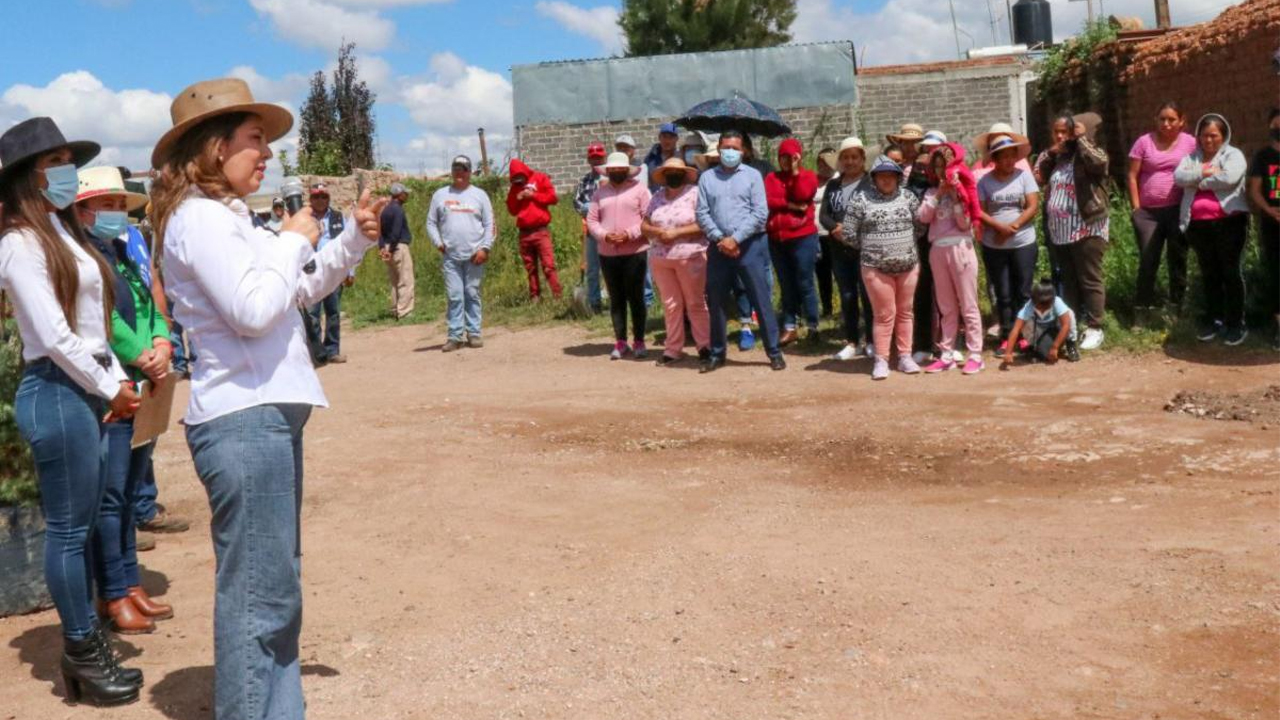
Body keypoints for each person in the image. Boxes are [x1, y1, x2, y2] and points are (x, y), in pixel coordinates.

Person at [149, 77, 387, 720]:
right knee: (262, 594)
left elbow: (297, 292)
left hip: (264, 416)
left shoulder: (231, 220)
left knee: (274, 587)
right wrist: (294, 239)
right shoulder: (199, 218)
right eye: (255, 140)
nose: (266, 154)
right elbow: (256, 310)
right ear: (213, 146)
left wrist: (352, 240)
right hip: (244, 420)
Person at [0, 117, 144, 706]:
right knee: (67, 532)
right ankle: (82, 650)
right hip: (56, 391)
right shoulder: (18, 242)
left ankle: (85, 650)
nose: (68, 172)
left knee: (80, 526)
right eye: (56, 161)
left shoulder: (62, 234)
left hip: (81, 390)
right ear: (27, 177)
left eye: (69, 159)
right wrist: (110, 387)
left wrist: (111, 381)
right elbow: (55, 336)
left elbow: (92, 330)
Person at [74, 166, 175, 636]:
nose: (115, 214)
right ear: (82, 211)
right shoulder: (82, 260)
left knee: (132, 488)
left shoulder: (122, 252)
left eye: (120, 205)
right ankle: (111, 592)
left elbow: (151, 302)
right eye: (106, 205)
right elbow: (103, 321)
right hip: (113, 388)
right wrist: (142, 355)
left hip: (143, 382)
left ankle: (130, 582)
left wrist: (162, 341)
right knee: (110, 496)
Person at [696, 130, 786, 373]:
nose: (730, 152)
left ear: (743, 151)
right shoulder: (706, 178)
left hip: (750, 246)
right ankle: (717, 353)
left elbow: (760, 214)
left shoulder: (753, 176)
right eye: (726, 147)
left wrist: (735, 239)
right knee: (716, 301)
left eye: (735, 148)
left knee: (760, 299)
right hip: (718, 248)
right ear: (719, 149)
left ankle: (774, 352)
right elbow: (702, 213)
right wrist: (720, 239)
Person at [841, 155, 921, 380]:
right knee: (884, 315)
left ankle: (905, 357)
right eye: (881, 176)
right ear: (874, 178)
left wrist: (903, 246)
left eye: (891, 176)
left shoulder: (909, 197)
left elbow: (920, 227)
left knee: (906, 312)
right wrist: (871, 248)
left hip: (908, 265)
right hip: (875, 268)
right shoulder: (861, 199)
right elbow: (848, 233)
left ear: (897, 178)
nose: (886, 180)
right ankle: (881, 360)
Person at [1036, 111, 1110, 351]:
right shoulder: (1057, 158)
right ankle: (1072, 325)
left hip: (1087, 227)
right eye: (1056, 132)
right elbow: (1038, 175)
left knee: (1089, 278)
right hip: (1061, 231)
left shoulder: (1089, 152)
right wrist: (1051, 153)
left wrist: (1081, 140)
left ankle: (1095, 326)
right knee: (1069, 281)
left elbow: (1100, 163)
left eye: (1065, 131)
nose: (1060, 136)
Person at [1175, 113, 1250, 346]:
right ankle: (1214, 319)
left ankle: (1236, 323)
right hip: (1198, 226)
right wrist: (1204, 172)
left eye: (1214, 135)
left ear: (1223, 136)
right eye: (1204, 135)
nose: (1208, 140)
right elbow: (1178, 177)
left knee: (1230, 272)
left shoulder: (1233, 154)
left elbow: (1230, 178)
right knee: (1209, 273)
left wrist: (1197, 181)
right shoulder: (1191, 157)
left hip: (1229, 223)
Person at [918, 144, 984, 375]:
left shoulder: (962, 191)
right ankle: (946, 354)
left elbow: (965, 223)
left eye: (943, 167)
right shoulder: (930, 193)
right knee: (945, 306)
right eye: (936, 167)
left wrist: (956, 196)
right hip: (938, 250)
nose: (940, 172)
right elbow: (923, 217)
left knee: (968, 304)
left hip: (960, 247)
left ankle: (975, 354)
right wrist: (938, 194)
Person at [1127, 102, 1197, 317]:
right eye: (1162, 119)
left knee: (1178, 258)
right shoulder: (1144, 142)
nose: (1166, 124)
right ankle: (1142, 309)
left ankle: (1177, 307)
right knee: (1149, 259)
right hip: (1148, 214)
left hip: (1177, 209)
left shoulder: (1190, 143)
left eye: (1172, 119)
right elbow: (1132, 175)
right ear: (1155, 120)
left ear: (1182, 121)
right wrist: (1137, 208)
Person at [977, 133, 1040, 357]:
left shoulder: (1024, 177)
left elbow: (1033, 206)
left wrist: (1011, 227)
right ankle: (1006, 337)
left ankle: (1023, 336)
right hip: (994, 245)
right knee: (1003, 294)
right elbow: (980, 210)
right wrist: (998, 228)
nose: (1008, 161)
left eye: (1011, 156)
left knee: (1022, 292)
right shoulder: (984, 182)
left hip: (1023, 242)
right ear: (994, 158)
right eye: (1002, 157)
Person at [644, 158, 711, 365]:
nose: (673, 175)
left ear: (684, 174)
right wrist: (658, 232)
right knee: (671, 305)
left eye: (677, 171)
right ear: (664, 176)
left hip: (690, 256)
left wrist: (677, 232)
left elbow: (704, 222)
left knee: (695, 302)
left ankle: (705, 346)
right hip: (661, 259)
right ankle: (673, 348)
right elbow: (644, 225)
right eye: (669, 172)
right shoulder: (656, 197)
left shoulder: (695, 194)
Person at [588, 152, 652, 359]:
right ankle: (621, 340)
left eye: (620, 169)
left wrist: (629, 234)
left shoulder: (640, 191)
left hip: (635, 251)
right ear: (608, 171)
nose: (616, 172)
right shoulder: (600, 193)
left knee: (636, 297)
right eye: (612, 170)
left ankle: (640, 340)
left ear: (626, 170)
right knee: (616, 298)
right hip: (608, 253)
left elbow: (648, 219)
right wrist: (605, 236)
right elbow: (592, 221)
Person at [428, 155, 494, 352]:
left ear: (469, 172)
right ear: (452, 171)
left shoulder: (480, 195)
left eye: (463, 169)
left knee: (472, 293)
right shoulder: (440, 195)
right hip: (451, 257)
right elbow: (431, 222)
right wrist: (438, 243)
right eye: (456, 168)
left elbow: (490, 224)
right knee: (455, 296)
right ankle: (455, 336)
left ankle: (474, 333)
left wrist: (485, 248)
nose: (459, 172)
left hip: (475, 255)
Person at [819, 137, 875, 362]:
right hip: (838, 249)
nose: (850, 161)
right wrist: (836, 229)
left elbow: (874, 211)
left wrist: (851, 229)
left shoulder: (871, 182)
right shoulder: (833, 184)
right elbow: (823, 214)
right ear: (840, 161)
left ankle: (872, 341)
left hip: (864, 248)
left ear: (862, 159)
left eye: (855, 157)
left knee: (869, 295)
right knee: (847, 295)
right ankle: (852, 341)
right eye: (846, 157)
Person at [765, 138, 821, 345]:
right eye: (783, 157)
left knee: (805, 282)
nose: (787, 161)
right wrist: (789, 204)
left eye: (791, 157)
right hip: (777, 239)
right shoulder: (772, 177)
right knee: (786, 284)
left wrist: (796, 173)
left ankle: (813, 325)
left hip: (802, 237)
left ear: (799, 157)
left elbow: (803, 195)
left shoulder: (808, 176)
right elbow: (768, 200)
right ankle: (790, 326)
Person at [909, 130, 946, 363]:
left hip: (946, 241)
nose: (928, 154)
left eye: (934, 149)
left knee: (947, 296)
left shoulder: (953, 176)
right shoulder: (914, 173)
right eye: (926, 148)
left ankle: (947, 345)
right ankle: (922, 343)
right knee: (921, 293)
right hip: (920, 243)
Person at [305, 182, 351, 364]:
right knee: (312, 315)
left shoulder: (338, 217)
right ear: (310, 199)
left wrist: (350, 270)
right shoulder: (304, 219)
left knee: (333, 313)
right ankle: (317, 353)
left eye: (323, 196)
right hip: (311, 273)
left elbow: (347, 244)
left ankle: (332, 350)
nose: (320, 200)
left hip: (333, 272)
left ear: (328, 198)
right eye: (316, 196)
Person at [507, 159, 562, 300]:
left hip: (540, 231)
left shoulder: (540, 178)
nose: (520, 181)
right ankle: (535, 297)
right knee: (530, 268)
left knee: (548, 266)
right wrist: (517, 198)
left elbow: (553, 198)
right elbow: (512, 211)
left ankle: (557, 296)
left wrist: (533, 195)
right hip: (524, 233)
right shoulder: (515, 187)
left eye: (521, 178)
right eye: (516, 179)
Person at [1248, 108, 1280, 350]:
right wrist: (1269, 210)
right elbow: (1255, 191)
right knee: (1277, 274)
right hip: (1273, 225)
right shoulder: (1263, 157)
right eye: (1276, 125)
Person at [999, 279, 1079, 369]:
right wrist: (1008, 352)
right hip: (1039, 330)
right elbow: (1016, 329)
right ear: (1033, 300)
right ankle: (1033, 347)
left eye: (1047, 303)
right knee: (1045, 355)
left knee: (1069, 314)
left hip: (1056, 328)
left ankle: (1070, 343)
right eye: (1040, 304)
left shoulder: (1057, 302)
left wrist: (1055, 347)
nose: (1043, 306)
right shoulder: (1029, 307)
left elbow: (1066, 325)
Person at [573, 143, 608, 313]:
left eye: (599, 158)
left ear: (604, 158)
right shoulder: (584, 180)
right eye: (593, 158)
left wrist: (594, 207)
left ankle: (617, 302)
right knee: (593, 269)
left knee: (612, 268)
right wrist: (586, 208)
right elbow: (576, 202)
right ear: (589, 160)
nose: (596, 161)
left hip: (610, 230)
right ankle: (595, 303)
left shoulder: (611, 177)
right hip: (592, 233)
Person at [379, 182, 416, 319]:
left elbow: (380, 232)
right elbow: (396, 231)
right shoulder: (398, 210)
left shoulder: (385, 210)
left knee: (394, 280)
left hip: (388, 246)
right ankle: (405, 311)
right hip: (398, 247)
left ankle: (395, 308)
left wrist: (383, 247)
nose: (406, 195)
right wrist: (393, 248)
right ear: (399, 194)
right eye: (405, 193)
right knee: (405, 280)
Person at [814, 147, 838, 318]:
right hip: (816, 234)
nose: (824, 166)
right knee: (822, 274)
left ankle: (846, 310)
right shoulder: (812, 181)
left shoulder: (838, 181)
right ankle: (827, 309)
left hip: (834, 234)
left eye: (827, 162)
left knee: (839, 273)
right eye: (821, 162)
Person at [644, 122, 680, 191]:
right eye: (664, 136)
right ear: (659, 137)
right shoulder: (650, 158)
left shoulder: (680, 159)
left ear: (677, 139)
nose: (667, 141)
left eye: (671, 137)